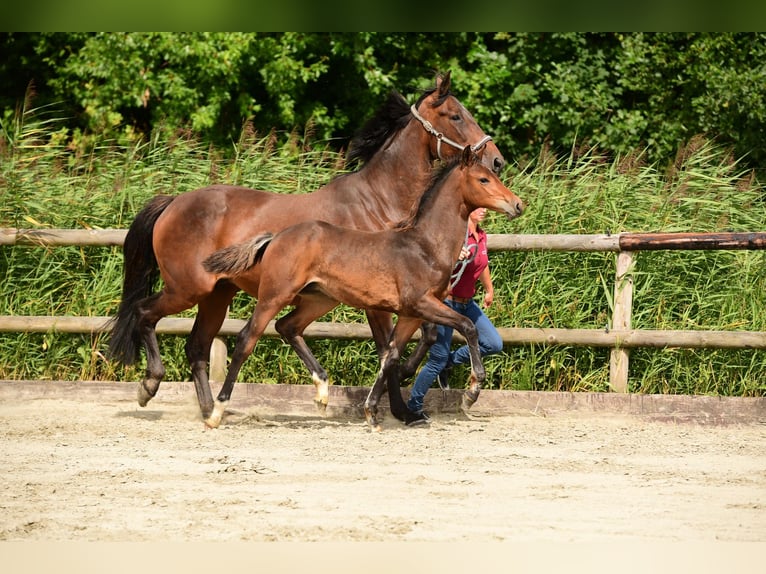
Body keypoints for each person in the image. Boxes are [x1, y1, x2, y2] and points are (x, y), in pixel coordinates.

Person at [406, 207, 503, 423]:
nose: (484, 210)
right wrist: (452, 255)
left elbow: (482, 264)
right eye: (478, 207)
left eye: (485, 207)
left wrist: (489, 289)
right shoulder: (455, 234)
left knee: (493, 343)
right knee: (436, 359)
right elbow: (432, 260)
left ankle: (451, 362)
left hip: (468, 304)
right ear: (467, 210)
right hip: (446, 303)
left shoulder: (481, 235)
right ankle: (413, 405)